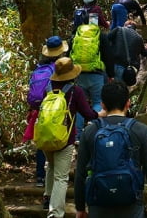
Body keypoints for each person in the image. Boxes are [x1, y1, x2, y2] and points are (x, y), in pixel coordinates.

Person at [74, 81, 147, 218]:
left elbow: (81, 173)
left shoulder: (90, 131)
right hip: (131, 205)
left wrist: (80, 207)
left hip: (98, 204)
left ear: (103, 105)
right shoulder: (140, 130)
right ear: (128, 103)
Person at [39, 57, 101, 218]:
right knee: (61, 177)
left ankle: (47, 196)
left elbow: (36, 105)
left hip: (45, 136)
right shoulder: (75, 91)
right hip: (65, 139)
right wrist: (98, 115)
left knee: (51, 167)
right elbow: (87, 113)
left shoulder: (47, 87)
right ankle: (55, 213)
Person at [23, 36, 69, 188]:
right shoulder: (58, 68)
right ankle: (54, 175)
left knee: (41, 141)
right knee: (55, 136)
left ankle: (40, 177)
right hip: (54, 108)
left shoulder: (38, 67)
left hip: (39, 109)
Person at [70, 21, 114, 144]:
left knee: (79, 104)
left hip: (79, 73)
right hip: (96, 73)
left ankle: (77, 136)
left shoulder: (76, 35)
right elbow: (108, 55)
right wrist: (111, 74)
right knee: (97, 102)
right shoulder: (100, 35)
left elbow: (70, 53)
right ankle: (95, 132)